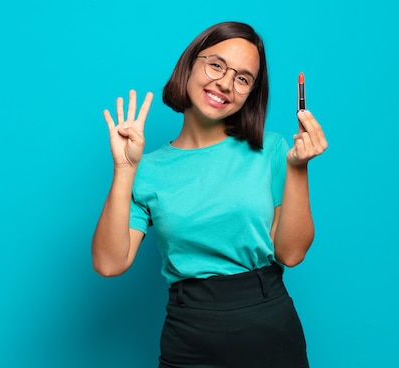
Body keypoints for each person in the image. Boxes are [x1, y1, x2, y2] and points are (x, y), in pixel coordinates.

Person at [91, 21, 328, 368]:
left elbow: (291, 254)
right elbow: (110, 263)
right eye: (216, 64)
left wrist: (298, 168)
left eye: (243, 78)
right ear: (190, 64)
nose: (226, 84)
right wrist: (124, 170)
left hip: (267, 321)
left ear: (251, 93)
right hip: (188, 330)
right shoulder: (147, 169)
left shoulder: (274, 150)